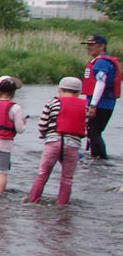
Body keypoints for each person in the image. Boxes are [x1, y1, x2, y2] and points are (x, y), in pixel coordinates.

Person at [26, 77, 88, 205]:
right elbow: (85, 126)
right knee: (67, 178)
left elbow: (42, 125)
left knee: (43, 174)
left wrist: (45, 135)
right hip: (72, 143)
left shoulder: (52, 102)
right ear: (79, 92)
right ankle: (62, 205)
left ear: (59, 89)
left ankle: (33, 201)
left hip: (53, 141)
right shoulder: (85, 106)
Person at [79, 33, 118, 161]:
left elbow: (101, 83)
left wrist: (93, 105)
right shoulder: (100, 61)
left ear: (102, 46)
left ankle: (101, 161)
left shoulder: (101, 63)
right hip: (101, 103)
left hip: (101, 104)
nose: (89, 48)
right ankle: (97, 161)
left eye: (92, 45)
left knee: (94, 133)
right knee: (93, 133)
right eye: (88, 45)